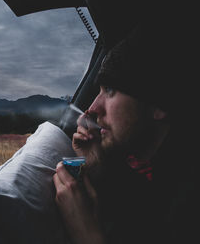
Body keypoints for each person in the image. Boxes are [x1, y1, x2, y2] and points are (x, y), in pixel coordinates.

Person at [53, 23, 197, 244]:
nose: (91, 109)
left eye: (110, 90)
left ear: (159, 104)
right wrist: (97, 165)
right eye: (98, 91)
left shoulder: (188, 203)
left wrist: (85, 232)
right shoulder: (143, 172)